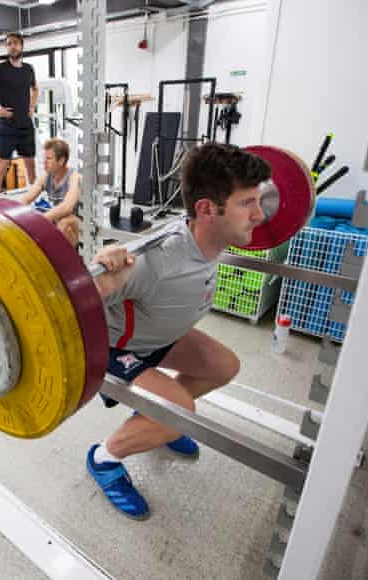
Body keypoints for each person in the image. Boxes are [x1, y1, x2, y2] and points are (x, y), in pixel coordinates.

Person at [86, 143, 271, 520]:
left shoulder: (212, 239)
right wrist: (102, 275)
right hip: (116, 346)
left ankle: (157, 424)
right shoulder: (157, 260)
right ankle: (105, 458)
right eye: (246, 203)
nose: (259, 214)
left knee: (224, 366)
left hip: (159, 337)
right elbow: (77, 299)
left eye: (259, 200)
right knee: (181, 412)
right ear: (206, 209)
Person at [0, 32, 39, 194]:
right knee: (2, 165)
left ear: (22, 46)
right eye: (9, 44)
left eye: (15, 43)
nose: (12, 46)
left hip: (26, 125)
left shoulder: (28, 69)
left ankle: (35, 199)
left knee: (30, 164)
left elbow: (35, 89)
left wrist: (32, 106)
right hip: (8, 126)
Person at [20, 138, 81, 246]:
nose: (44, 162)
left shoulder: (75, 177)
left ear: (61, 160)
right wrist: (13, 217)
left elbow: (67, 208)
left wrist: (40, 221)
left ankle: (67, 260)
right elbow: (27, 199)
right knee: (33, 217)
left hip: (80, 224)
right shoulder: (45, 176)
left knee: (64, 223)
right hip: (58, 217)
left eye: (49, 158)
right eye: (45, 158)